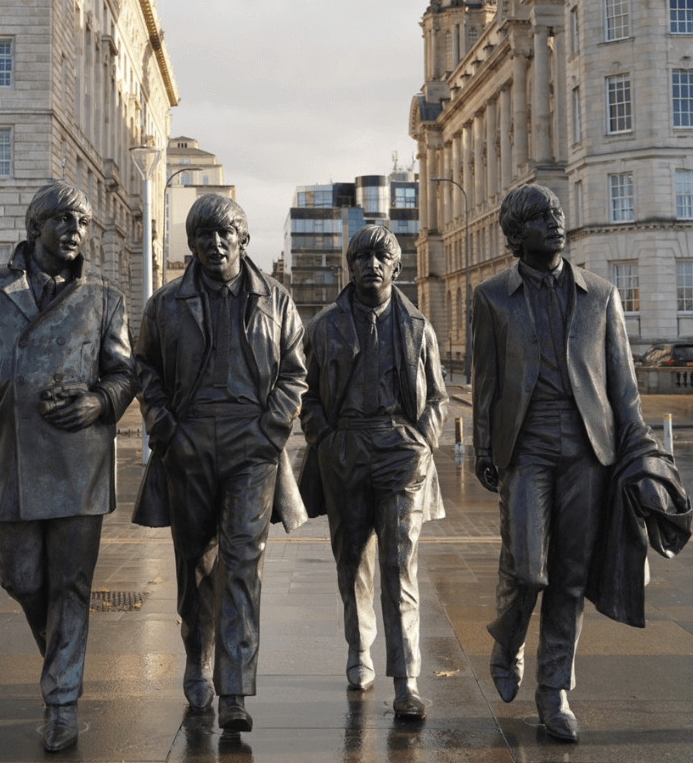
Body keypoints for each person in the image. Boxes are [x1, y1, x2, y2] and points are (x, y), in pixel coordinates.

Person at [0, 181, 137, 753]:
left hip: (79, 460)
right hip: (11, 459)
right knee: (21, 579)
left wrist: (99, 403)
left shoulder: (104, 298)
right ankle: (62, 661)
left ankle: (61, 701)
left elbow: (124, 375)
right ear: (35, 229)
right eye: (65, 221)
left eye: (83, 224)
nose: (76, 232)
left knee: (72, 586)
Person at [471, 182, 657, 742]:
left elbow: (622, 385)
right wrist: (484, 447)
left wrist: (640, 449)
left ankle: (554, 691)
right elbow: (485, 383)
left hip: (588, 451)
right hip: (525, 448)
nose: (553, 222)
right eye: (537, 217)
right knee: (527, 567)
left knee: (571, 577)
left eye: (555, 213)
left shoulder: (600, 294)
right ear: (516, 235)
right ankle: (507, 637)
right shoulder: (492, 297)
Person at [132, 193, 307, 732]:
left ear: (243, 239)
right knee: (196, 566)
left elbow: (294, 375)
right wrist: (167, 433)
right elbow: (146, 373)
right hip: (187, 445)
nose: (214, 243)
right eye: (203, 235)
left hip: (251, 448)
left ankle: (234, 688)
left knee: (241, 563)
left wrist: (267, 433)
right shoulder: (164, 304)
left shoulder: (276, 300)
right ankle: (197, 658)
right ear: (192, 245)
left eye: (224, 233)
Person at [298, 225, 447, 718]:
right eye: (361, 257)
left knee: (399, 566)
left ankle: (406, 678)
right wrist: (325, 435)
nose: (371, 265)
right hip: (345, 450)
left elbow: (440, 397)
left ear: (397, 268)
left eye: (382, 257)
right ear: (350, 266)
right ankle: (359, 649)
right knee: (352, 563)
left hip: (401, 452)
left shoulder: (418, 326)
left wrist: (423, 439)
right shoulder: (323, 327)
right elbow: (308, 392)